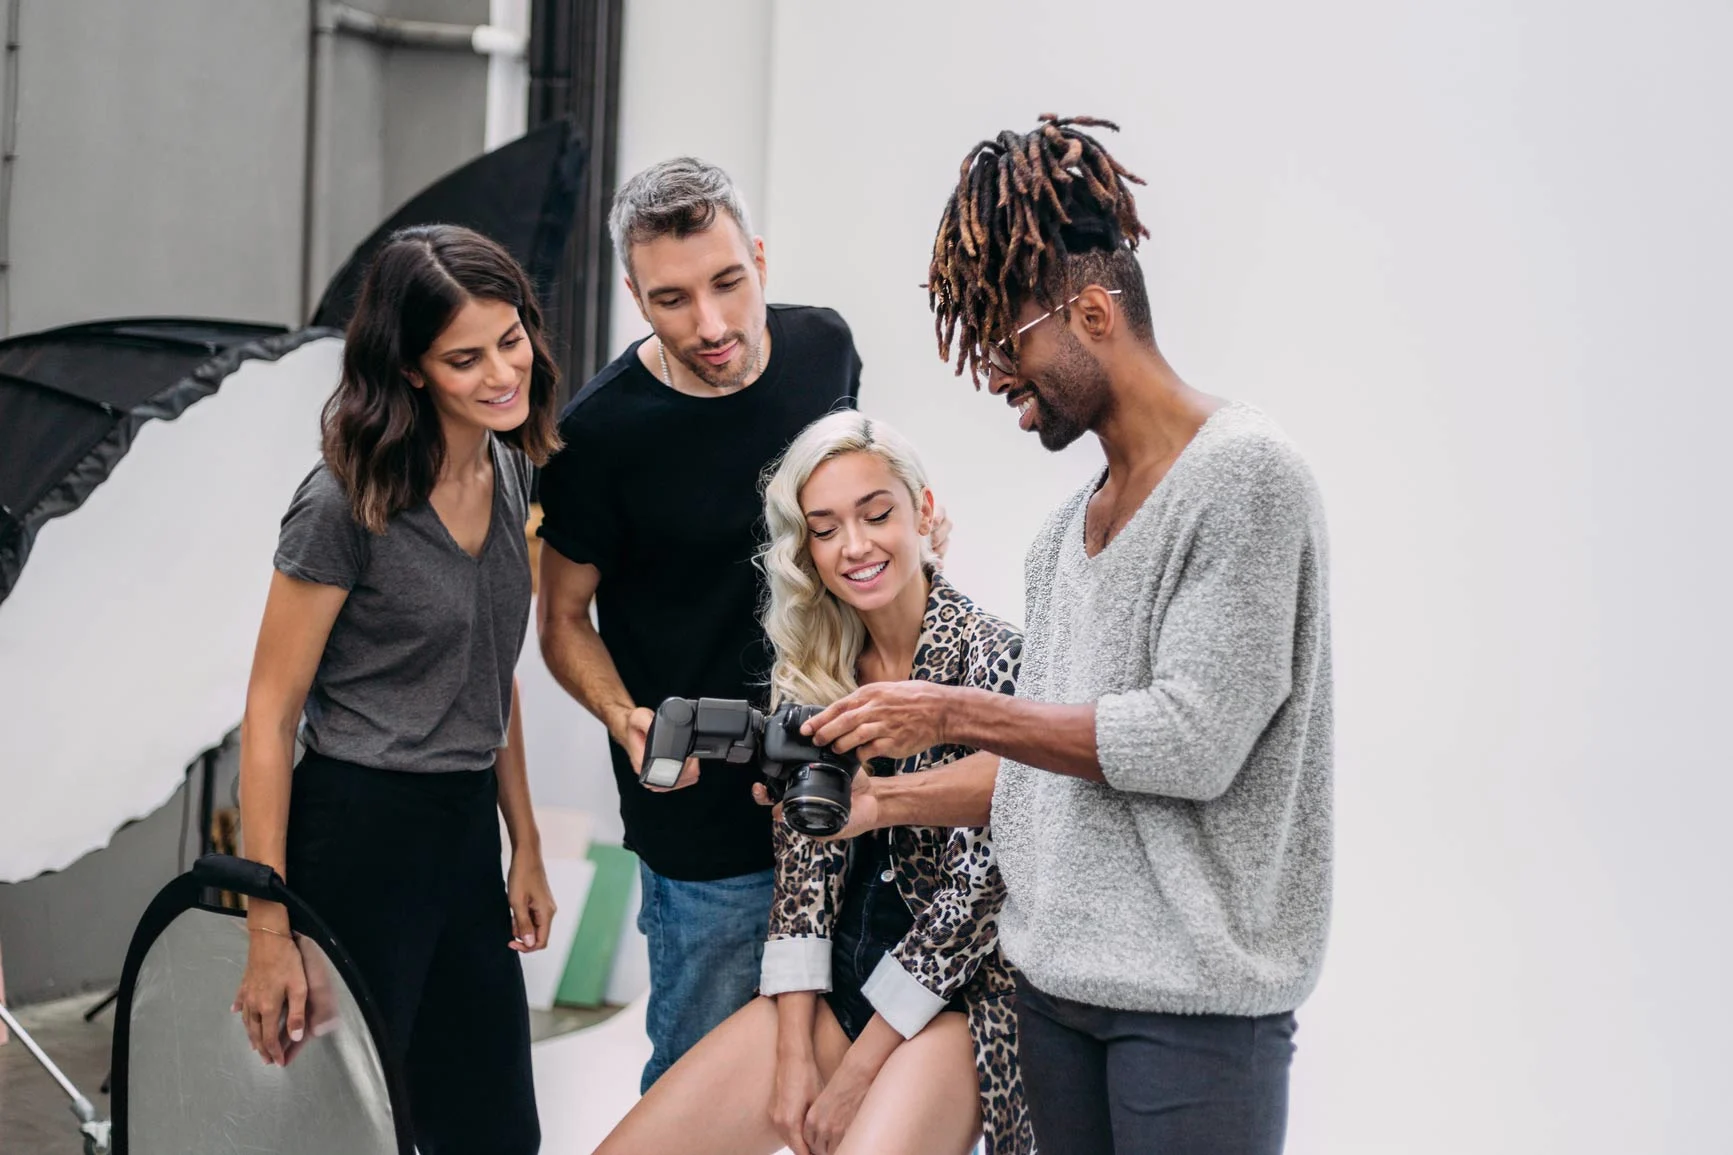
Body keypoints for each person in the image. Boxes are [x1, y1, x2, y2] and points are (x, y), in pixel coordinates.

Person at [800, 116, 1335, 1154]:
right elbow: (1043, 775)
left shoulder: (1244, 481)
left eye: (1007, 346)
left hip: (1191, 1012)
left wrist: (953, 711)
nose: (994, 376)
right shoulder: (1061, 537)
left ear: (1090, 313)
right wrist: (885, 799)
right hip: (1050, 994)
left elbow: (1190, 741)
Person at [535, 158, 947, 1091]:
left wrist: (914, 508)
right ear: (637, 299)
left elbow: (847, 492)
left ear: (759, 260)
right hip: (703, 819)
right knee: (704, 1088)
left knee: (861, 1079)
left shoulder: (823, 350)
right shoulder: (597, 436)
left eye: (729, 283)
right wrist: (622, 715)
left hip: (851, 780)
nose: (711, 325)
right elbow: (560, 619)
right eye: (674, 299)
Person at [594, 411, 1030, 1155]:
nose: (854, 546)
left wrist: (852, 1077)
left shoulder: (998, 663)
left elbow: (974, 899)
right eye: (824, 529)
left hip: (952, 1004)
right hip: (834, 982)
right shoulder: (814, 668)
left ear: (921, 511)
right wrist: (794, 1050)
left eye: (875, 513)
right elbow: (801, 883)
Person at [232, 224, 561, 1154]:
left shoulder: (510, 470)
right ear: (412, 369)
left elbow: (492, 671)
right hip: (357, 831)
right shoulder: (344, 499)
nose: (503, 372)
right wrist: (269, 925)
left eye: (511, 339)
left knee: (493, 1131)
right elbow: (269, 712)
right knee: (346, 1128)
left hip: (461, 830)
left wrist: (524, 841)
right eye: (465, 357)